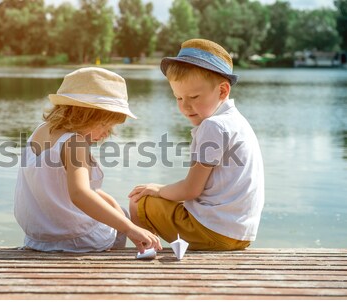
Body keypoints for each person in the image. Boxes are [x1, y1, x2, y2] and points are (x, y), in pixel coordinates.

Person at [129, 39, 264, 251]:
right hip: (241, 234)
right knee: (169, 200)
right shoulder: (237, 122)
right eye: (178, 97)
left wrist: (158, 189)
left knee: (139, 200)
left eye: (193, 96)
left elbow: (191, 189)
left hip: (213, 231)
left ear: (222, 91)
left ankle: (147, 252)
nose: (185, 106)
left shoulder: (213, 126)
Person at [14, 67, 162, 253]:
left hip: (39, 237)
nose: (107, 134)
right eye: (105, 125)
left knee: (119, 212)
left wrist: (113, 205)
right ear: (84, 115)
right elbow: (80, 194)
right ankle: (114, 260)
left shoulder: (41, 131)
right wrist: (130, 228)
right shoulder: (75, 143)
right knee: (123, 223)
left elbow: (62, 187)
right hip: (73, 238)